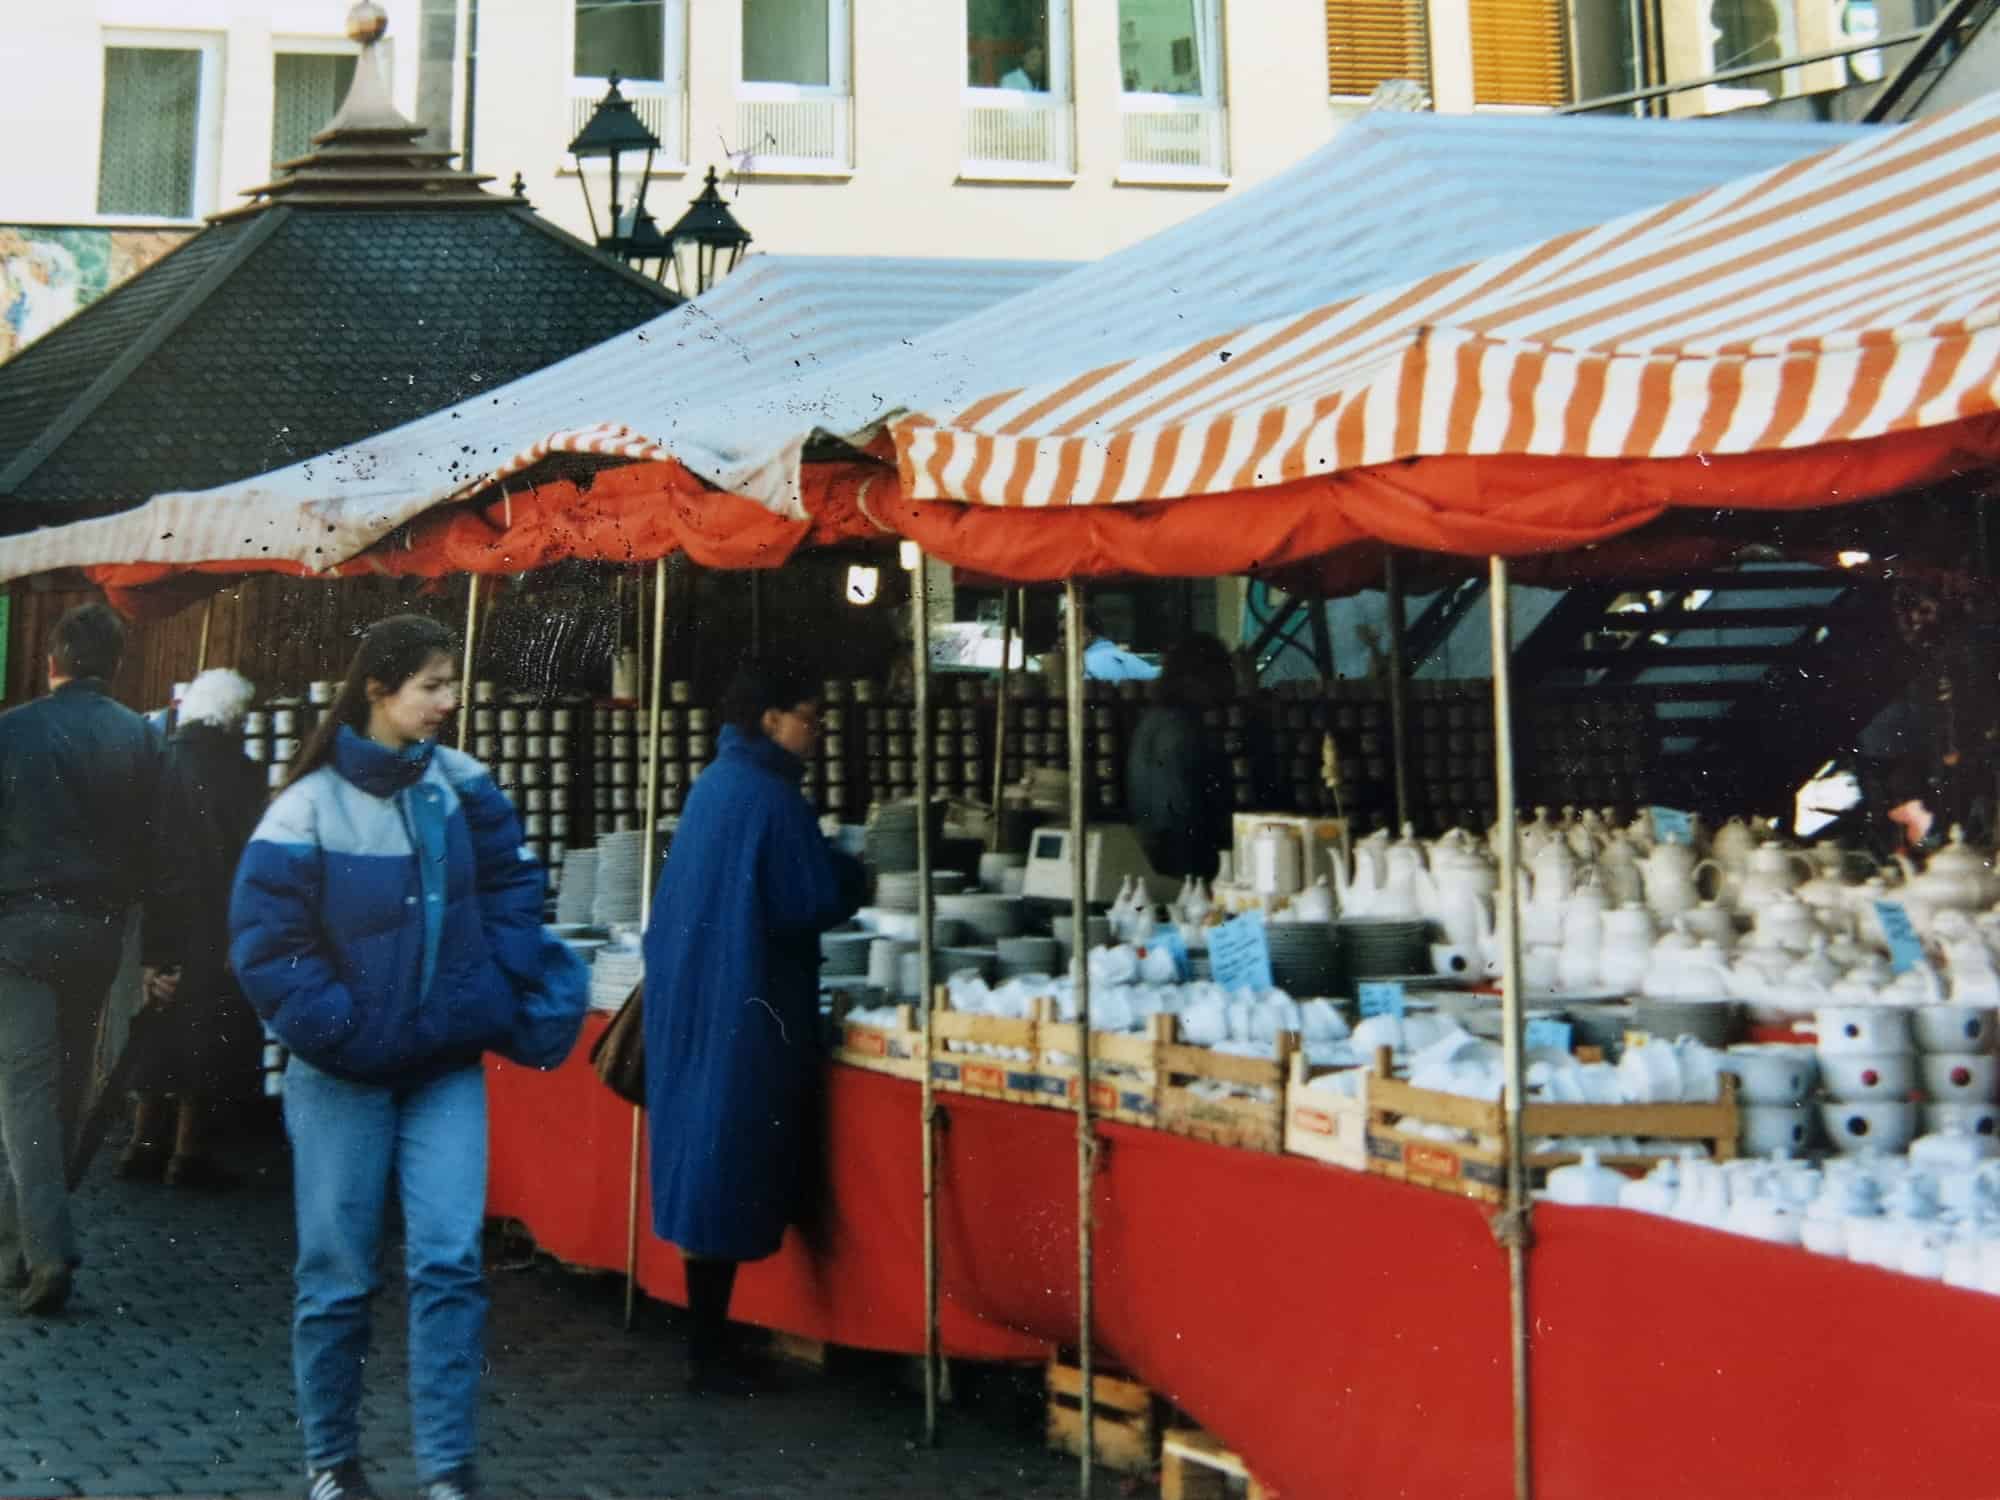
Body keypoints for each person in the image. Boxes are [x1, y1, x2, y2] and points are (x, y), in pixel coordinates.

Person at [230, 614, 582, 1500]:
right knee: (339, 1278)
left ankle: (449, 1473)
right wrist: (344, 1029)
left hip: (442, 1071)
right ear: (378, 690)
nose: (448, 702)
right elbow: (268, 947)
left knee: (450, 1265)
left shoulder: (465, 785)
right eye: (431, 685)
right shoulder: (304, 805)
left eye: (449, 683)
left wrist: (489, 986)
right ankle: (332, 1464)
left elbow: (513, 885)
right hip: (342, 1076)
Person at [642, 656, 866, 1396]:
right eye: (810, 714)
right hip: (746, 1003)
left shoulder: (716, 785)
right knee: (729, 1161)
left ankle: (710, 1341)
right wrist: (853, 876)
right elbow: (807, 900)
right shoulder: (771, 797)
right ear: (771, 720)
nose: (819, 730)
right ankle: (709, 1354)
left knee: (706, 1159)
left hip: (701, 1001)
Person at [0, 600, 163, 1316]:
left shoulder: (12, 732)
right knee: (64, 1088)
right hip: (100, 934)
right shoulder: (142, 739)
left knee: (26, 1090)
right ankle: (20, 1241)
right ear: (116, 664)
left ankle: (46, 1250)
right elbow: (163, 851)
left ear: (53, 661)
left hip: (19, 932)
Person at [120, 668, 268, 1190]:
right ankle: (187, 1153)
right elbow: (252, 859)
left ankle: (141, 1145)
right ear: (233, 717)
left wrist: (150, 951)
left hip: (164, 919)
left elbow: (142, 852)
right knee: (208, 1036)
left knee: (157, 1028)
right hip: (218, 922)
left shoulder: (160, 763)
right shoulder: (244, 774)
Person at [1126, 634, 1237, 882]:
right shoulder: (1179, 728)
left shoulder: (1155, 719)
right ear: (1199, 677)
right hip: (1181, 858)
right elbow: (1179, 807)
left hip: (1157, 849)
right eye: (1223, 674)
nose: (1228, 684)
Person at [1079, 605, 1160, 683]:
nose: (1065, 639)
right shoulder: (1134, 661)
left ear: (1086, 632)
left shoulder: (1082, 666)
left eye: (1066, 632)